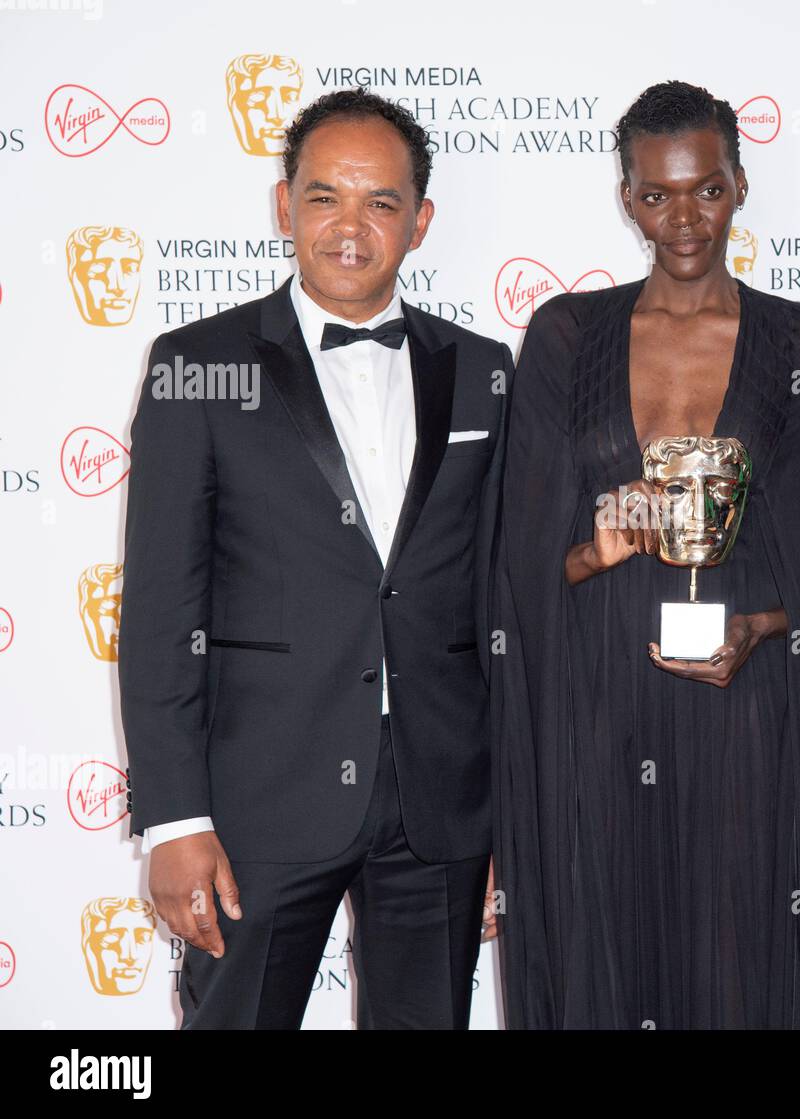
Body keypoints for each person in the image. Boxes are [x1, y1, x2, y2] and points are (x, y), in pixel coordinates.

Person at [118, 89, 509, 1029]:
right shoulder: (196, 364)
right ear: (284, 206)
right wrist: (174, 821)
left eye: (380, 202)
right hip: (259, 802)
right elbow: (163, 610)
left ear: (420, 221)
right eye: (325, 196)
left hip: (439, 803)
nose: (349, 226)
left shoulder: (487, 370)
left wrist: (509, 814)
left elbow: (501, 602)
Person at [490, 80, 800, 1029]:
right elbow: (520, 565)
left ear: (739, 185)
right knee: (606, 951)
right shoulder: (563, 336)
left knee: (743, 959)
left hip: (748, 716)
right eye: (657, 195)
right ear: (626, 198)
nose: (682, 218)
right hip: (600, 712)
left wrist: (761, 626)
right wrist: (597, 547)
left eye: (704, 189)